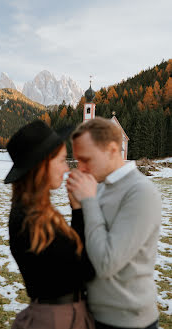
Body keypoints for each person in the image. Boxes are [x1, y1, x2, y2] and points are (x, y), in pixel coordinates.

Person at [67, 117, 161, 329]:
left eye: (86, 159)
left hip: (127, 321)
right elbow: (85, 249)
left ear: (111, 150)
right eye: (77, 159)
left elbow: (106, 263)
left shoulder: (141, 192)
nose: (80, 168)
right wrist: (77, 209)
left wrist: (88, 202)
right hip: (90, 315)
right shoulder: (98, 186)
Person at [4, 120, 95, 329]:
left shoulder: (31, 211)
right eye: (62, 160)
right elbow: (84, 270)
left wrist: (77, 210)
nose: (66, 168)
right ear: (43, 164)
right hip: (58, 320)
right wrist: (85, 208)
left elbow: (71, 258)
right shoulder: (30, 221)